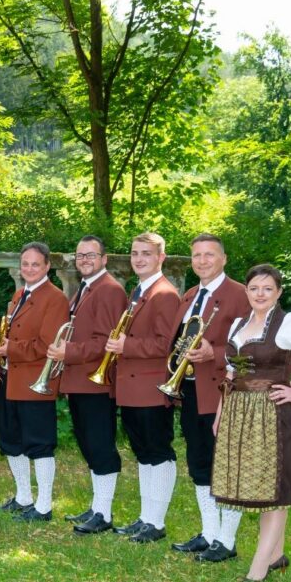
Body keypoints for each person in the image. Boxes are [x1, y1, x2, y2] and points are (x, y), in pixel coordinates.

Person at [212, 264, 291, 582]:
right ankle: (276, 555)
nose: (260, 294)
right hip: (241, 414)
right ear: (246, 291)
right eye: (254, 288)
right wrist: (221, 413)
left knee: (276, 490)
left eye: (268, 288)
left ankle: (258, 569)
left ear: (279, 292)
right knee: (263, 486)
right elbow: (231, 373)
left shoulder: (289, 323)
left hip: (276, 415)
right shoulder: (238, 324)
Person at [168, 234, 250, 563]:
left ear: (224, 259)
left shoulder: (240, 295)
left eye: (209, 255)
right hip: (190, 390)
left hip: (222, 392)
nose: (202, 261)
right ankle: (209, 533)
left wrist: (213, 354)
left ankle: (227, 541)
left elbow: (252, 347)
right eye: (197, 256)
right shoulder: (190, 295)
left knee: (225, 466)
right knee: (199, 463)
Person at [46, 236, 128, 534]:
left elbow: (106, 341)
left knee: (100, 445)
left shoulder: (109, 290)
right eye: (80, 255)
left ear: (104, 259)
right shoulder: (87, 287)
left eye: (91, 255)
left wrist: (68, 351)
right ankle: (97, 506)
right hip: (79, 379)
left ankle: (104, 514)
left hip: (95, 381)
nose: (84, 260)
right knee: (88, 444)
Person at [106, 232, 180, 543]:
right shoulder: (139, 290)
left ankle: (156, 523)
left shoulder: (165, 294)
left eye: (146, 254)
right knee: (143, 453)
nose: (139, 259)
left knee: (158, 452)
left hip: (151, 387)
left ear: (161, 257)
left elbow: (166, 344)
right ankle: (146, 517)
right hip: (132, 388)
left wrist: (127, 345)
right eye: (135, 253)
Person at [0, 242, 70, 521]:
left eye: (36, 264)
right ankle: (23, 497)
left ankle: (44, 506)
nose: (30, 269)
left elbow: (47, 344)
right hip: (11, 378)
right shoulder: (19, 294)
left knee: (39, 443)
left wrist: (9, 348)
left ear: (47, 266)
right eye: (25, 264)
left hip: (36, 380)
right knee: (11, 440)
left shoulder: (55, 298)